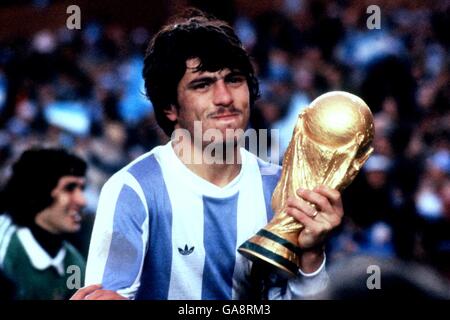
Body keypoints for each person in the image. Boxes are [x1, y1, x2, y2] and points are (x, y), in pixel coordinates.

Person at [72, 10, 344, 300]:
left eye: (234, 79)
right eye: (202, 84)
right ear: (169, 107)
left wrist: (312, 259)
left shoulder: (283, 191)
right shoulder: (132, 190)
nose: (225, 97)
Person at [0, 148, 87, 300]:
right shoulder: (4, 243)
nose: (82, 201)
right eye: (70, 188)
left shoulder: (74, 265)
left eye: (82, 188)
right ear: (39, 190)